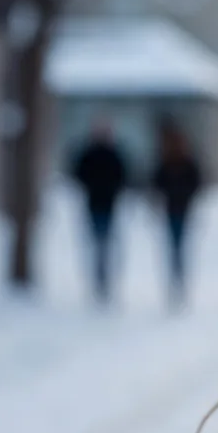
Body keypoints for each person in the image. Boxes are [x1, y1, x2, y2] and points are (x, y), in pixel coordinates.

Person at [71, 118, 127, 305]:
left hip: (107, 204)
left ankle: (103, 279)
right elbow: (78, 173)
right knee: (99, 244)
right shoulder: (91, 153)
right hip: (95, 204)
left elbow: (123, 175)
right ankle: (100, 280)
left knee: (103, 244)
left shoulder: (111, 154)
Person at [152, 116, 202, 311]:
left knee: (178, 249)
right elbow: (157, 182)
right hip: (172, 210)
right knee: (175, 249)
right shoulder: (167, 161)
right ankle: (176, 284)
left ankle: (179, 283)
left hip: (182, 209)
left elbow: (195, 182)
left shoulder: (186, 162)